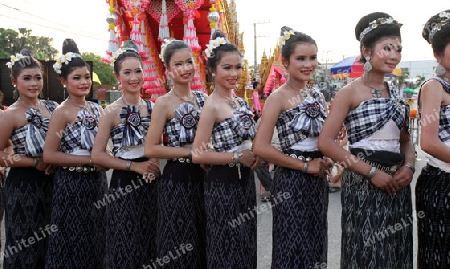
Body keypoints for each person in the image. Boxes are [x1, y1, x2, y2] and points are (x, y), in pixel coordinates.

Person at [318, 12, 414, 268]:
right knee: (366, 252)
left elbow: (405, 140)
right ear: (366, 50)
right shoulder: (348, 92)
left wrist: (409, 166)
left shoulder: (395, 93)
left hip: (397, 185)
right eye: (387, 48)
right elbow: (326, 143)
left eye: (398, 49)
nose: (394, 55)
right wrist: (372, 173)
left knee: (396, 251)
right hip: (363, 185)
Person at [253, 26, 331, 269]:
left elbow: (324, 137)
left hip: (318, 179)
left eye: (312, 57)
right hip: (291, 181)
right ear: (285, 62)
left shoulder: (317, 94)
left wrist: (328, 158)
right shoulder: (278, 97)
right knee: (291, 245)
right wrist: (305, 166)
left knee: (316, 243)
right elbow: (261, 147)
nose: (308, 64)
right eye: (301, 58)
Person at [191, 31, 259, 268]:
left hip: (246, 182)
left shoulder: (240, 101)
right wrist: (237, 156)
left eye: (238, 67)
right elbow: (198, 154)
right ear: (212, 69)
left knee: (246, 243)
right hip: (223, 184)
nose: (234, 74)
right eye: (227, 67)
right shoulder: (211, 105)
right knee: (225, 245)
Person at [91, 40, 160, 268]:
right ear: (117, 76)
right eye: (127, 72)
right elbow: (98, 156)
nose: (134, 77)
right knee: (124, 243)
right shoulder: (110, 112)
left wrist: (152, 162)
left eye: (138, 71)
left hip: (151, 181)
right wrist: (134, 167)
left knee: (152, 242)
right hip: (123, 182)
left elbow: (157, 144)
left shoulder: (153, 108)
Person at [43, 39, 107, 268]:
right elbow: (49, 155)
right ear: (63, 81)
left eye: (87, 77)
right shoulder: (62, 112)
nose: (84, 82)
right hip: (71, 184)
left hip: (97, 182)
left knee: (96, 239)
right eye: (76, 78)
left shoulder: (97, 108)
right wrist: (91, 160)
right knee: (71, 242)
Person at [144, 39, 207, 268]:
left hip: (204, 176)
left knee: (202, 235)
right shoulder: (163, 103)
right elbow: (151, 148)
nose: (185, 68)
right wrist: (189, 153)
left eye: (189, 62)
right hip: (176, 178)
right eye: (178, 64)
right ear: (168, 71)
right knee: (177, 239)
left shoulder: (203, 99)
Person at [0, 49, 57, 268]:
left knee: (49, 242)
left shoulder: (52, 108)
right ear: (14, 81)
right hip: (23, 185)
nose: (34, 83)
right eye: (27, 78)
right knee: (24, 243)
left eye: (38, 77)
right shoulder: (11, 114)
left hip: (52, 183)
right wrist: (34, 162)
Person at [416, 9, 450, 269]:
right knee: (440, 256)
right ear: (437, 54)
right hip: (442, 184)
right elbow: (428, 143)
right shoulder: (434, 86)